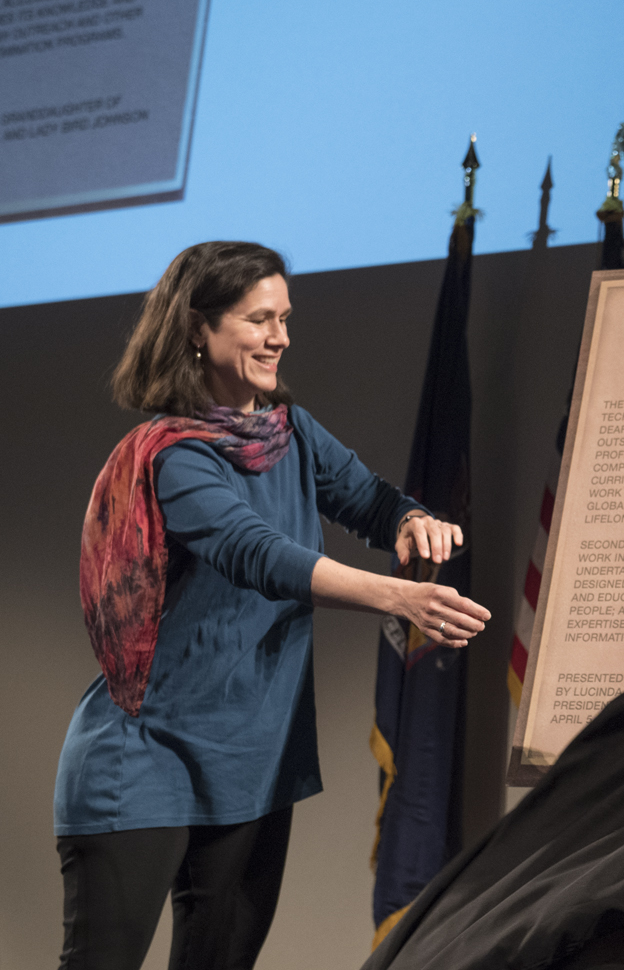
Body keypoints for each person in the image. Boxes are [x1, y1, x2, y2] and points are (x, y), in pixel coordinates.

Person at [56, 242, 491, 970]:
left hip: (252, 764)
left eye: (284, 319)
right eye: (260, 319)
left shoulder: (291, 432)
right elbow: (256, 552)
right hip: (143, 763)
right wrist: (397, 594)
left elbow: (371, 500)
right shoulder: (173, 454)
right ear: (200, 330)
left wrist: (411, 519)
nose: (280, 337)